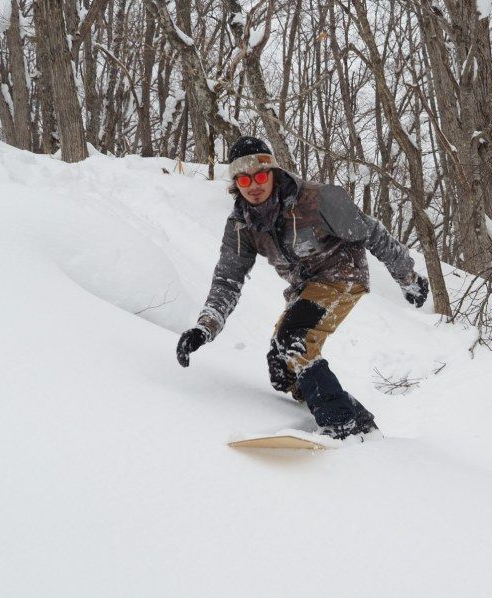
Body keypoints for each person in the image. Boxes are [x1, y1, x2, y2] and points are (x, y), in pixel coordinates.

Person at [176, 136, 429, 439]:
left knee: (295, 339)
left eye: (259, 176)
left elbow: (372, 233)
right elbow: (228, 279)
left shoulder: (317, 199)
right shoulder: (241, 225)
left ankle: (339, 423)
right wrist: (205, 327)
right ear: (236, 184)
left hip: (342, 274)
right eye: (244, 179)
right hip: (304, 287)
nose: (253, 185)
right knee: (281, 367)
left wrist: (408, 278)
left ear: (273, 173)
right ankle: (358, 419)